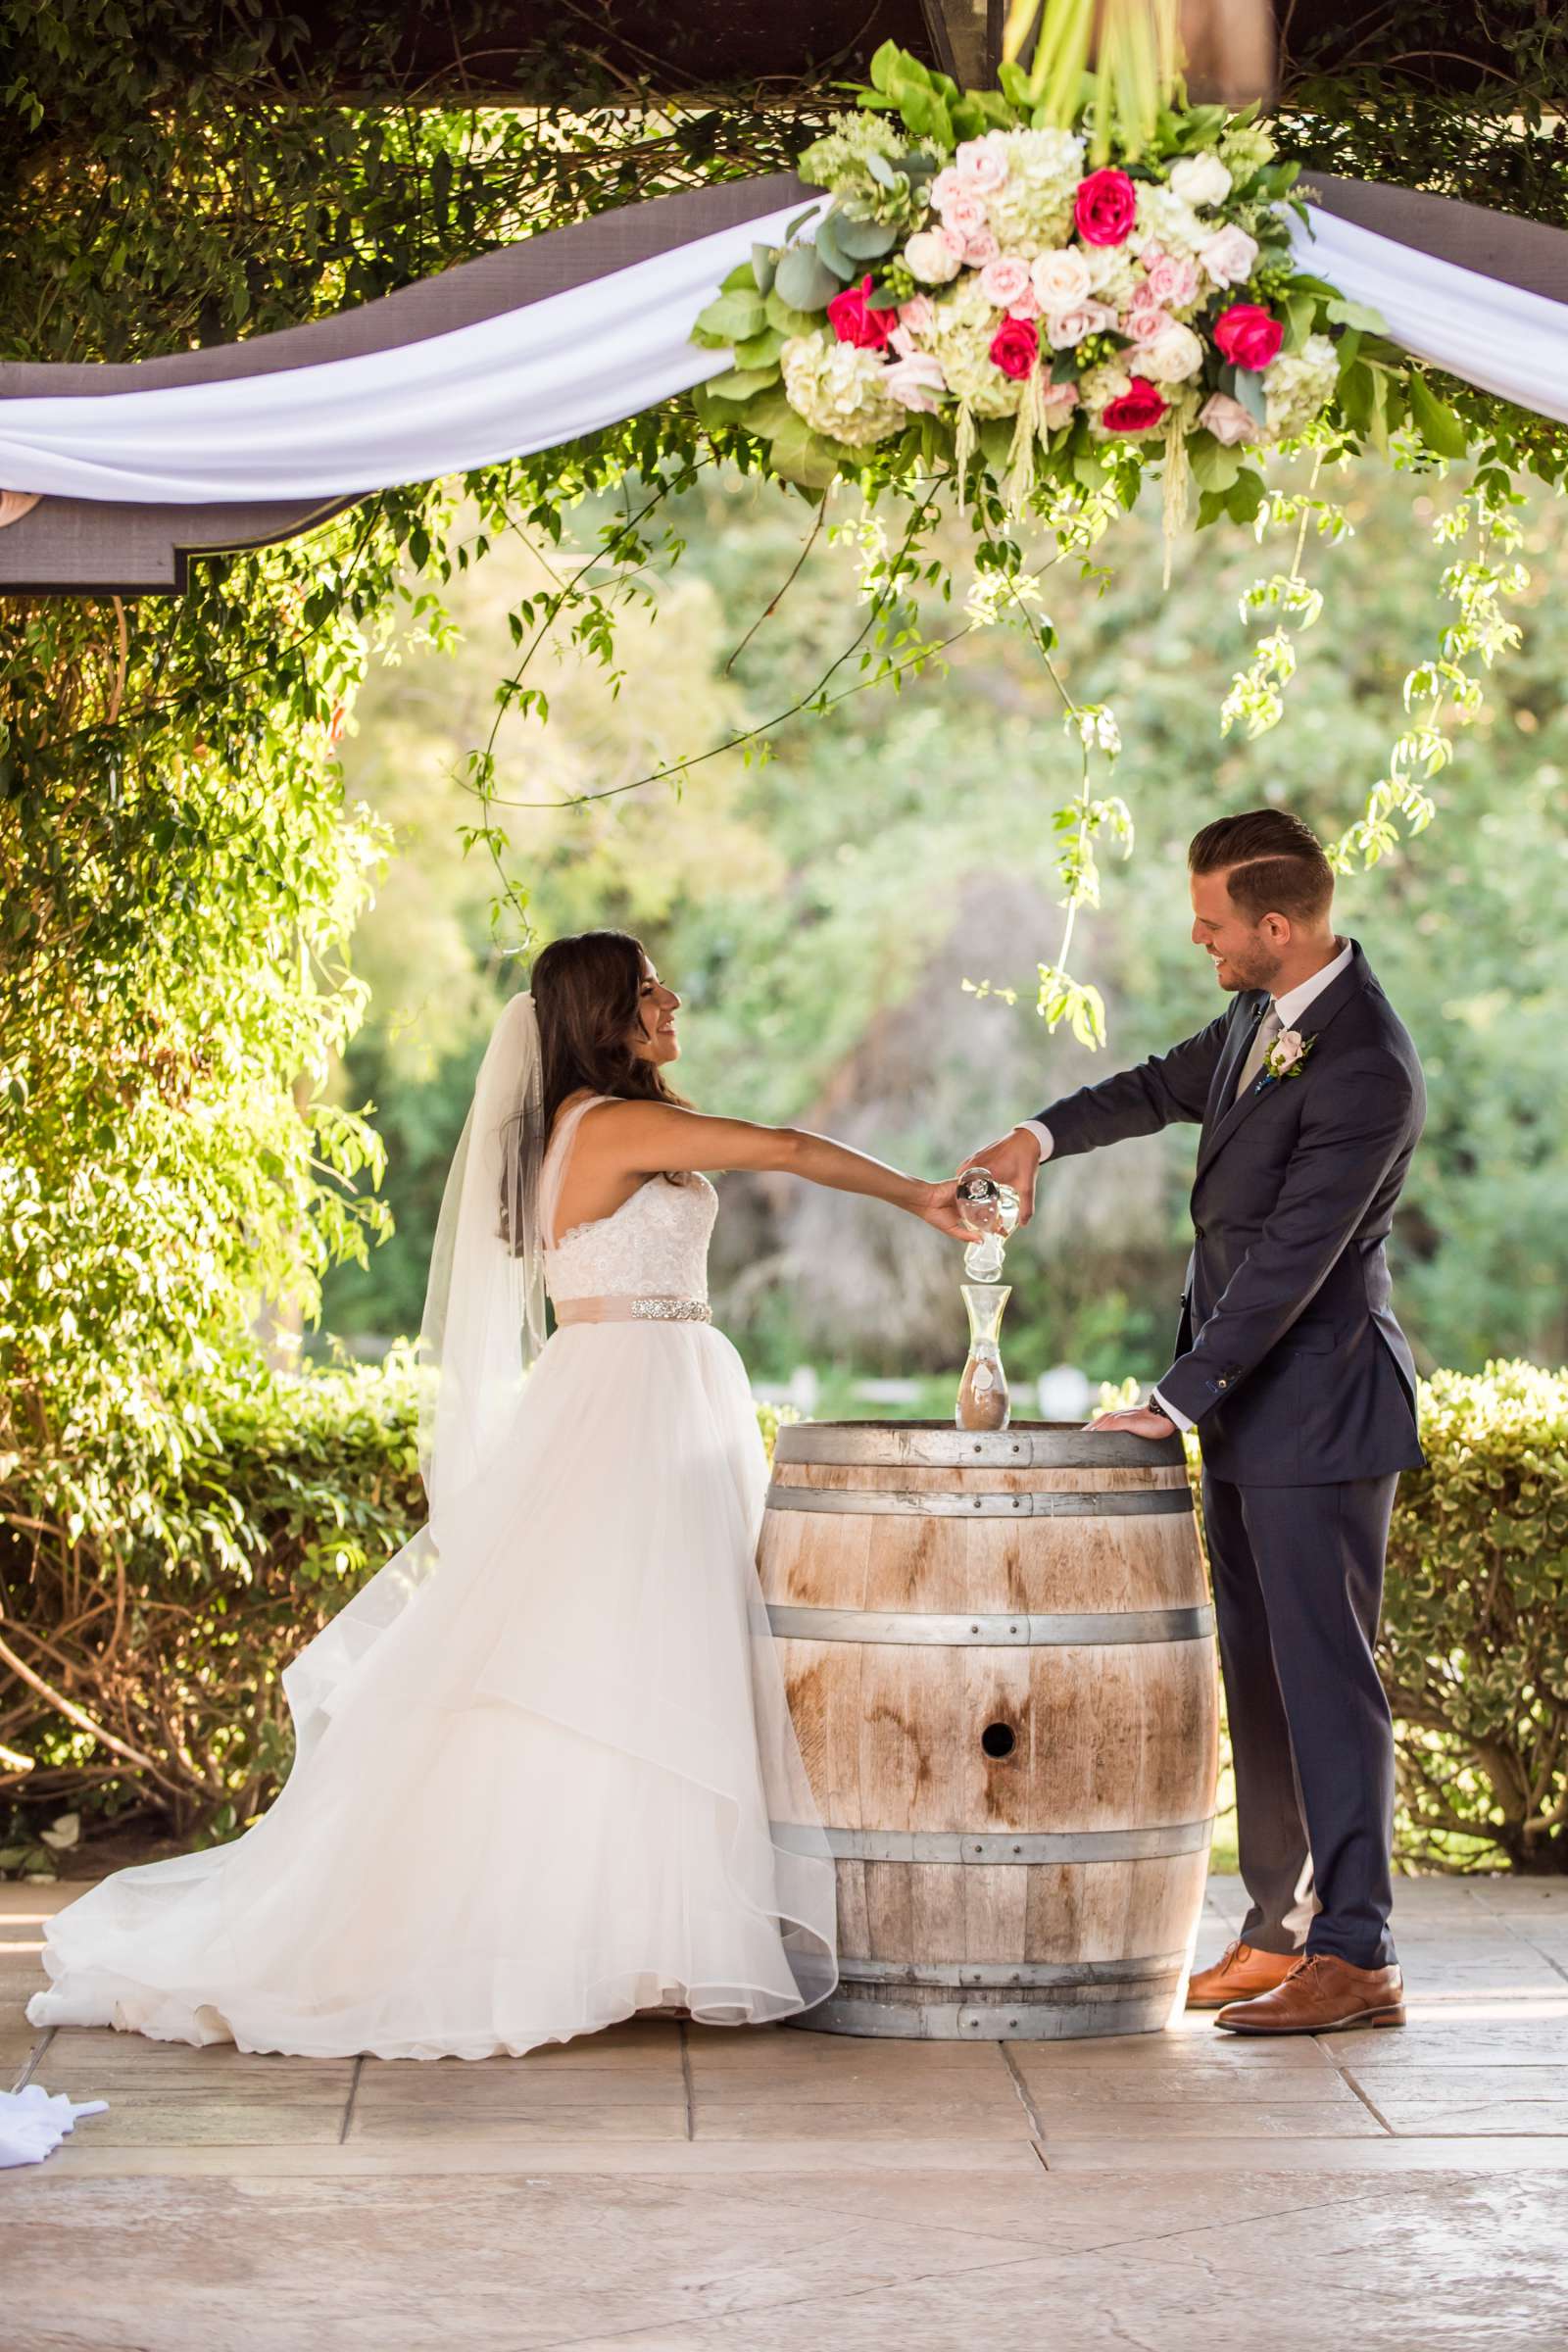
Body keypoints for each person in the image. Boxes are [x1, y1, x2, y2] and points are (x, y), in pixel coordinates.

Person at [29, 929, 965, 2059]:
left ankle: (645, 1932)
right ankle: (605, 1934)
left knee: (635, 1649)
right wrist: (922, 1198)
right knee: (631, 1647)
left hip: (642, 1387)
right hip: (635, 1399)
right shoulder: (614, 1125)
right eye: (645, 989)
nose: (670, 1001)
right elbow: (789, 1148)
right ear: (600, 1016)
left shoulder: (583, 1127)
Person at [961, 809, 1425, 2035]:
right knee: (1260, 1678)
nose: (1198, 937)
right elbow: (1159, 1086)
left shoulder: (1366, 1062)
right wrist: (1038, 1137)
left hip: (1320, 1413)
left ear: (1277, 927)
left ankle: (1358, 1951)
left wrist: (1169, 1404)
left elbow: (1289, 1261)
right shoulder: (1254, 1018)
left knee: (1327, 1682)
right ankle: (1276, 1931)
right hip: (1245, 1412)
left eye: (1213, 922)